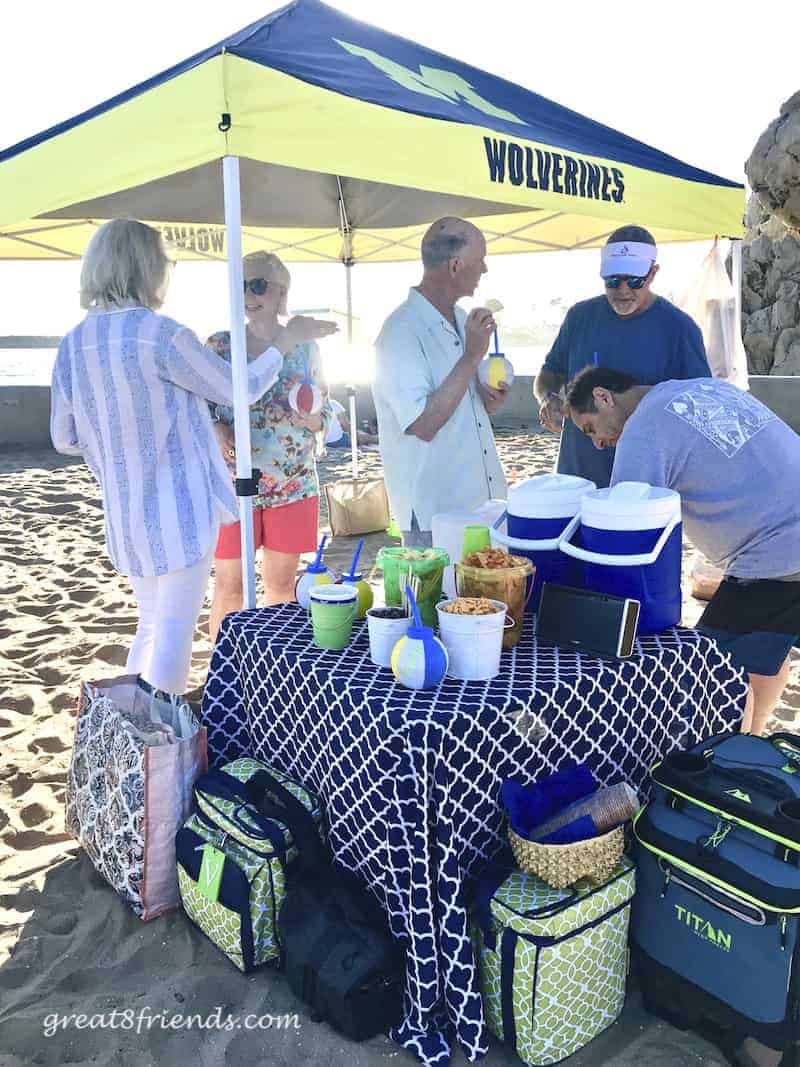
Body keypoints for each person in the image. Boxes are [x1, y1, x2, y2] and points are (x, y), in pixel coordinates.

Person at [50, 219, 334, 693]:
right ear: (147, 269)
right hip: (180, 510)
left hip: (124, 513)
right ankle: (157, 745)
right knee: (174, 635)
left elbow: (65, 437)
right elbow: (236, 390)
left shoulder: (72, 344)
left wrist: (122, 450)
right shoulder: (161, 335)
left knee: (151, 623)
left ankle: (132, 735)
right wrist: (285, 343)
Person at [564, 365, 800, 736]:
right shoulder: (700, 388)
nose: (596, 443)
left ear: (603, 396)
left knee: (712, 669)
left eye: (590, 428)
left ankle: (732, 753)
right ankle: (752, 741)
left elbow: (623, 525)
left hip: (778, 549)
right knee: (768, 645)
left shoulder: (642, 428)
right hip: (786, 533)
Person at [207, 251, 337, 643]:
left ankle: (271, 675)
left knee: (281, 589)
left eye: (258, 284)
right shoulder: (218, 344)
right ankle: (224, 675)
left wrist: (312, 418)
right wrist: (216, 427)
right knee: (230, 588)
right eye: (241, 284)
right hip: (230, 487)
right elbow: (196, 408)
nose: (248, 292)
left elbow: (327, 411)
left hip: (293, 483)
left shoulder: (307, 348)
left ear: (281, 292)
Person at [535, 225, 711, 489]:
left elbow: (700, 406)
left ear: (653, 273)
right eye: (613, 281)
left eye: (635, 280)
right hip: (575, 475)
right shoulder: (580, 317)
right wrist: (548, 398)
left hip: (643, 483)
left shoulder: (679, 328)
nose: (624, 290)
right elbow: (550, 371)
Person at [373, 217, 508, 547]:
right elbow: (423, 423)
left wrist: (486, 399)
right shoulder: (400, 332)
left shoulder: (462, 320)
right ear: (456, 266)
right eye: (480, 261)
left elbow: (461, 402)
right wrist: (472, 356)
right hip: (436, 513)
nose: (485, 269)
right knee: (439, 599)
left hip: (483, 505)